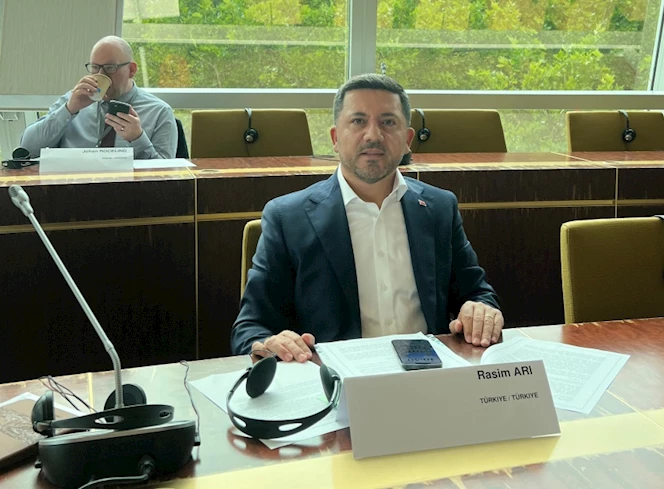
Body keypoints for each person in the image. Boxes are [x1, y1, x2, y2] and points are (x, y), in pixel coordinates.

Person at [231, 74, 503, 362]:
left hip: (428, 375)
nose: (373, 135)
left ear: (407, 140)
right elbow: (250, 329)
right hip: (335, 381)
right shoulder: (288, 217)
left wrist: (480, 311)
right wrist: (270, 344)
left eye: (388, 122)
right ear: (335, 138)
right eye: (358, 121)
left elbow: (478, 294)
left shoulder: (439, 208)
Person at [20, 36, 177, 160]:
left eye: (110, 67)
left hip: (128, 191)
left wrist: (137, 139)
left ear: (131, 70)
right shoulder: (73, 100)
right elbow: (28, 149)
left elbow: (166, 177)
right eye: (95, 67)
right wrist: (69, 109)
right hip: (73, 188)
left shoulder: (159, 112)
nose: (101, 75)